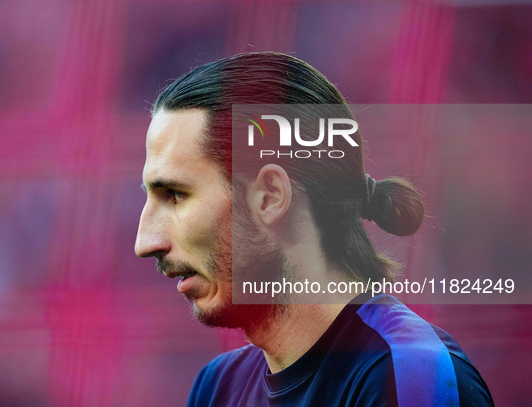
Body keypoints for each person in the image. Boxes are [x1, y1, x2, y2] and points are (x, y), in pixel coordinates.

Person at [135, 52, 493, 406]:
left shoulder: (409, 377)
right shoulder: (217, 387)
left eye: (175, 195)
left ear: (271, 196)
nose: (145, 242)